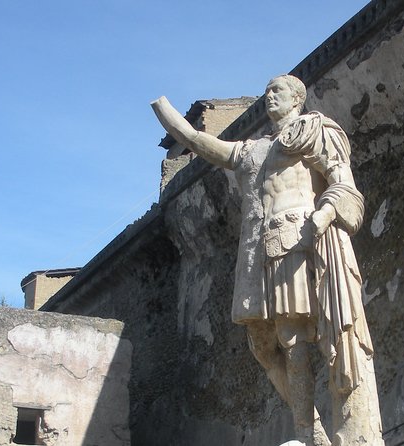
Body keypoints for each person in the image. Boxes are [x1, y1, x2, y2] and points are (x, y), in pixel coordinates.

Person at [152, 75, 383, 446]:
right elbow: (201, 143)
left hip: (299, 240)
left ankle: (312, 434)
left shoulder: (312, 131)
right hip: (258, 252)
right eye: (267, 92)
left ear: (297, 99)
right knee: (261, 345)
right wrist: (166, 113)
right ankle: (314, 429)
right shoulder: (253, 151)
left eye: (277, 91)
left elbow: (343, 182)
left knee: (295, 339)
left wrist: (325, 213)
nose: (269, 97)